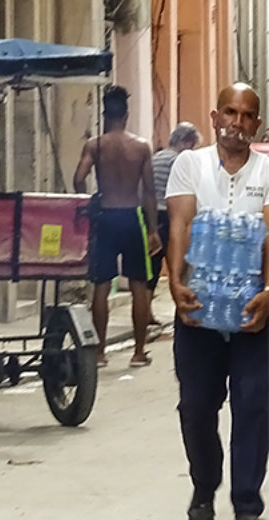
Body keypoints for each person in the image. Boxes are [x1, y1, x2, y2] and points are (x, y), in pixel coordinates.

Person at [165, 82, 269, 520]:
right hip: (199, 308)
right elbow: (180, 223)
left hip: (253, 311)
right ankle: (204, 486)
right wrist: (174, 281)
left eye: (247, 116)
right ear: (214, 117)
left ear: (257, 124)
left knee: (254, 402)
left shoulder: (267, 172)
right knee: (196, 405)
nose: (237, 123)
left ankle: (246, 500)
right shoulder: (190, 164)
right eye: (230, 112)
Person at [72, 85, 163, 368]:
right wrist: (152, 230)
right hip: (132, 217)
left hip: (105, 217)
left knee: (101, 286)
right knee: (138, 285)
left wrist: (90, 202)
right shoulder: (141, 146)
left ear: (105, 113)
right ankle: (138, 352)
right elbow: (148, 191)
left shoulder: (95, 145)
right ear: (126, 114)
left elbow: (78, 178)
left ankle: (99, 352)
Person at [148, 122, 201, 323]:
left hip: (151, 216)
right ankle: (182, 306)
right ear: (186, 142)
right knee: (178, 267)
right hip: (169, 215)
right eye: (193, 145)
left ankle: (148, 313)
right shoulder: (179, 161)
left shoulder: (157, 156)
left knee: (151, 269)